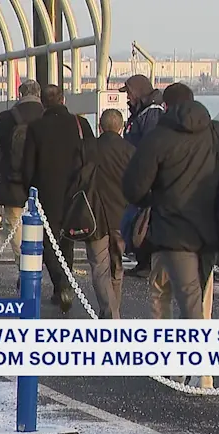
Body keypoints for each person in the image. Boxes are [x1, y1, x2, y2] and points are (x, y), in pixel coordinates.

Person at [122, 82, 219, 321]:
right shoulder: (217, 131)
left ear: (166, 106)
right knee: (198, 296)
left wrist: (152, 200)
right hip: (209, 231)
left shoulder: (158, 138)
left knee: (167, 295)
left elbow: (133, 188)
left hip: (170, 230)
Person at [22, 84, 96, 312]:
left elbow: (28, 165)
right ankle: (65, 284)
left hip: (47, 192)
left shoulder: (36, 128)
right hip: (76, 191)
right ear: (63, 100)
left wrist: (30, 191)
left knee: (48, 242)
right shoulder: (80, 124)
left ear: (43, 102)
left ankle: (61, 284)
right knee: (68, 241)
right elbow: (93, 155)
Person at [0, 79, 44, 287]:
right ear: (39, 95)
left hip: (13, 181)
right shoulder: (47, 116)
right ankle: (49, 272)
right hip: (42, 182)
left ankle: (24, 269)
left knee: (15, 226)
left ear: (20, 94)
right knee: (45, 226)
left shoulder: (9, 117)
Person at [84, 109, 135, 319]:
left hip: (94, 215)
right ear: (121, 128)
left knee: (99, 267)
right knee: (117, 265)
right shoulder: (130, 151)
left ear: (100, 127)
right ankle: (113, 309)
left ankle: (110, 313)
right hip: (121, 217)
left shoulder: (88, 148)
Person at [120, 74, 165, 279]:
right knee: (133, 220)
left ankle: (145, 261)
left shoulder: (151, 114)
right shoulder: (141, 114)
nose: (127, 97)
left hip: (142, 177)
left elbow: (149, 147)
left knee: (140, 221)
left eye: (129, 92)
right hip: (136, 174)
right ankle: (141, 260)